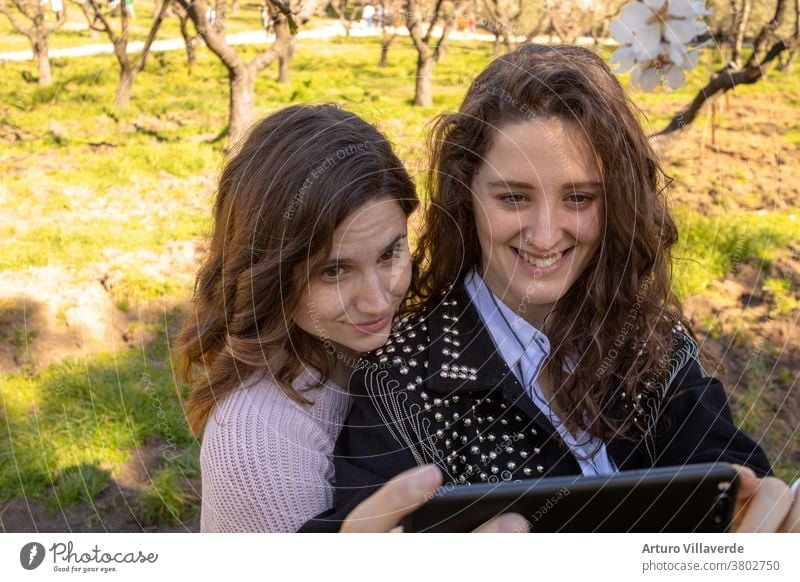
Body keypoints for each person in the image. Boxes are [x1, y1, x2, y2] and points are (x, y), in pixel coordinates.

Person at [300, 45, 799, 532]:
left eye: (579, 198)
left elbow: (724, 463)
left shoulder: (650, 337)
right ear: (464, 192)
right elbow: (362, 525)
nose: (544, 234)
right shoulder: (399, 378)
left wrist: (759, 522)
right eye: (513, 197)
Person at [177, 104, 528, 533]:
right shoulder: (256, 441)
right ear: (269, 274)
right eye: (334, 271)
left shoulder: (398, 347)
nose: (379, 302)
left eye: (389, 253)